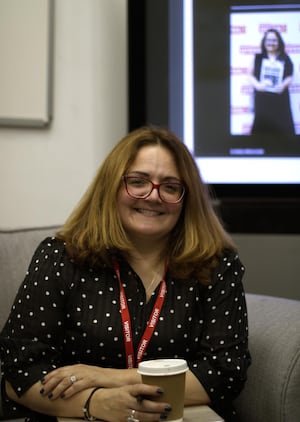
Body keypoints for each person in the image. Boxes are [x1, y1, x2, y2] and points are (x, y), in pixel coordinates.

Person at [0, 126, 251, 422]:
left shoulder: (217, 264)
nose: (153, 196)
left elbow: (225, 373)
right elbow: (19, 373)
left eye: (170, 186)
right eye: (137, 181)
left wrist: (105, 377)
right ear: (112, 187)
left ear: (187, 200)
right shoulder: (60, 256)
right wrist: (97, 403)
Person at [248, 28, 295, 135]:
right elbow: (249, 75)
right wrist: (258, 85)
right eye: (268, 40)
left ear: (279, 42)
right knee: (261, 131)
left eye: (274, 40)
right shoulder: (258, 58)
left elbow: (290, 76)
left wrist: (283, 84)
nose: (271, 43)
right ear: (264, 42)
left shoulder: (285, 58)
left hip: (280, 100)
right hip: (263, 100)